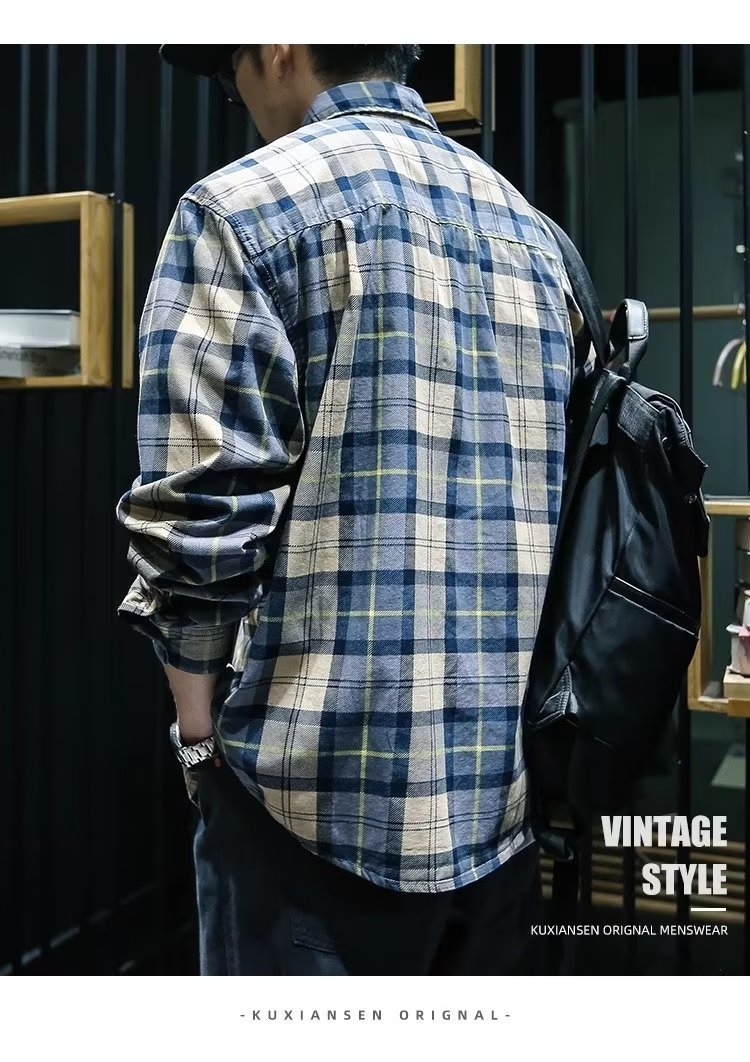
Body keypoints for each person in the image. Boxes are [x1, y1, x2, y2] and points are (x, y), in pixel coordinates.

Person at [115, 44, 578, 976]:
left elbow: (198, 518)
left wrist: (197, 740)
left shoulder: (238, 209)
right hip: (502, 807)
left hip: (304, 812)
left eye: (230, 74)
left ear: (279, 44)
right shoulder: (538, 237)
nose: (240, 97)